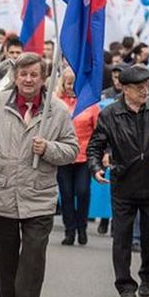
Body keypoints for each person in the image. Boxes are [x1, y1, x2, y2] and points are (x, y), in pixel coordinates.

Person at [0, 53, 78, 297]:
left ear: (43, 79)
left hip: (38, 196)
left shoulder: (58, 110)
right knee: (6, 258)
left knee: (33, 257)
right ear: (15, 77)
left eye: (34, 75)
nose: (28, 80)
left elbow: (72, 150)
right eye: (23, 74)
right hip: (1, 193)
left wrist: (49, 149)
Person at [86, 65, 149, 297]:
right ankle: (124, 284)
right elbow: (95, 146)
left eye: (147, 87)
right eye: (140, 88)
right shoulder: (110, 114)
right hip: (124, 184)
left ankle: (148, 277)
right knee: (121, 236)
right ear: (125, 89)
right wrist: (95, 167)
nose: (145, 91)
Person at [56, 67, 97, 246]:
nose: (71, 86)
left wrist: (101, 154)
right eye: (68, 82)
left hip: (83, 156)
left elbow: (98, 131)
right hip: (62, 155)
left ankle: (82, 227)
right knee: (65, 194)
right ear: (63, 84)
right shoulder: (56, 102)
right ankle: (69, 230)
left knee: (82, 191)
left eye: (74, 82)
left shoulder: (90, 103)